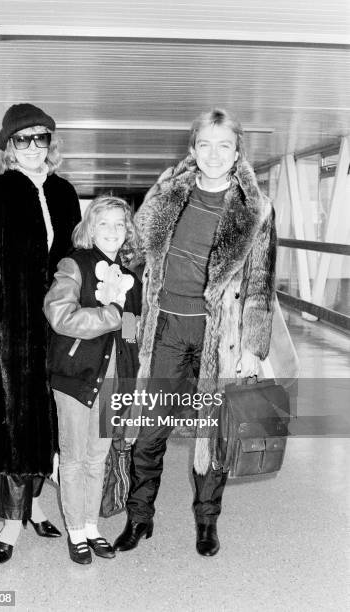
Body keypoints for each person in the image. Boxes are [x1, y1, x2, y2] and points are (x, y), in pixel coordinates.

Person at [114, 108, 277, 556]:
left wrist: (253, 346)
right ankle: (139, 518)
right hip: (164, 329)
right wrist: (124, 321)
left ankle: (207, 523)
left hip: (216, 338)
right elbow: (131, 258)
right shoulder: (167, 194)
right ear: (193, 149)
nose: (213, 154)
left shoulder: (256, 211)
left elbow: (261, 284)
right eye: (204, 144)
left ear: (237, 151)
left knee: (212, 435)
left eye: (224, 145)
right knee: (148, 433)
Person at [0, 103, 81, 563]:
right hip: (13, 328)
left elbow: (77, 255)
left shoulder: (65, 193)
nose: (33, 147)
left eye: (40, 138)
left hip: (60, 323)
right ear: (8, 146)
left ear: (51, 143)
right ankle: (12, 519)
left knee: (54, 414)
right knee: (15, 419)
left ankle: (38, 504)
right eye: (22, 139)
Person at [43, 196, 141, 565]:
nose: (113, 231)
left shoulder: (130, 272)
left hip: (114, 378)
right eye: (104, 223)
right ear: (90, 227)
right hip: (75, 376)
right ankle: (75, 531)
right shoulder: (74, 264)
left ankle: (91, 526)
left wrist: (132, 371)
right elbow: (60, 316)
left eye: (120, 224)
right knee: (72, 458)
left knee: (97, 457)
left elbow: (130, 327)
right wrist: (109, 316)